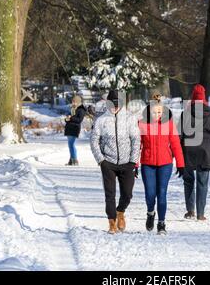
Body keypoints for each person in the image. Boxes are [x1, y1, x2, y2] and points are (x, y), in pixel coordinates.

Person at [90, 90, 141, 234]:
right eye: (112, 104)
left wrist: (133, 160)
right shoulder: (101, 120)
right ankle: (111, 222)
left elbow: (136, 140)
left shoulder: (130, 118)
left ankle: (120, 212)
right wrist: (101, 160)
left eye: (117, 104)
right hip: (108, 163)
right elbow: (94, 140)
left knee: (127, 193)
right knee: (109, 194)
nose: (114, 107)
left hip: (127, 163)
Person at [139, 92, 185, 235]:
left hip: (165, 163)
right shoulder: (142, 124)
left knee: (162, 193)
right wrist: (134, 165)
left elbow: (176, 144)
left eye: (159, 111)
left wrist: (180, 164)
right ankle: (150, 212)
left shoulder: (169, 124)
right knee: (150, 194)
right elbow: (137, 145)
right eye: (154, 112)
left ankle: (161, 223)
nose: (157, 114)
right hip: (148, 163)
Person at [179, 84, 210, 221]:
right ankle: (200, 214)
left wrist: (178, 155)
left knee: (188, 181)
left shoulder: (185, 114)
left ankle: (190, 210)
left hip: (188, 153)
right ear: (204, 99)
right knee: (202, 183)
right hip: (205, 153)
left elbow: (178, 136)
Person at [64, 95, 86, 166]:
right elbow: (68, 118)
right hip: (69, 128)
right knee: (70, 145)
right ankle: (71, 160)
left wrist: (71, 118)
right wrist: (66, 119)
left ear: (78, 102)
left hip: (75, 128)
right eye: (72, 102)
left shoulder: (81, 110)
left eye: (75, 102)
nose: (73, 103)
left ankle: (75, 159)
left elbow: (79, 120)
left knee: (71, 144)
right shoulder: (72, 109)